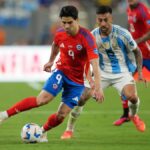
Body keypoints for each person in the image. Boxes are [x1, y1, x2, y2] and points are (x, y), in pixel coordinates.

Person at [0, 5, 104, 142]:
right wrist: (50, 61)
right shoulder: (60, 33)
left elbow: (94, 64)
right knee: (43, 99)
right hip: (62, 71)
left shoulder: (87, 38)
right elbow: (56, 45)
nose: (66, 26)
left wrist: (98, 87)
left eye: (70, 22)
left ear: (77, 20)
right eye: (64, 22)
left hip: (77, 82)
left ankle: (42, 132)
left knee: (61, 115)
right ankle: (4, 115)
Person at [60, 5, 146, 140]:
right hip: (101, 73)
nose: (103, 23)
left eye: (106, 20)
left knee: (132, 97)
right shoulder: (92, 35)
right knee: (81, 98)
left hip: (122, 72)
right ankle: (69, 129)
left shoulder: (122, 33)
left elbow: (137, 51)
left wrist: (140, 72)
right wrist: (91, 79)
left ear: (111, 18)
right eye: (100, 20)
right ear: (97, 19)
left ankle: (133, 115)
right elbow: (85, 59)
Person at [113, 0, 150, 126]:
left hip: (147, 53)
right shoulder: (129, 8)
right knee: (124, 79)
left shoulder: (143, 11)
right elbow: (132, 27)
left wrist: (137, 41)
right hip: (135, 54)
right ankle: (126, 115)